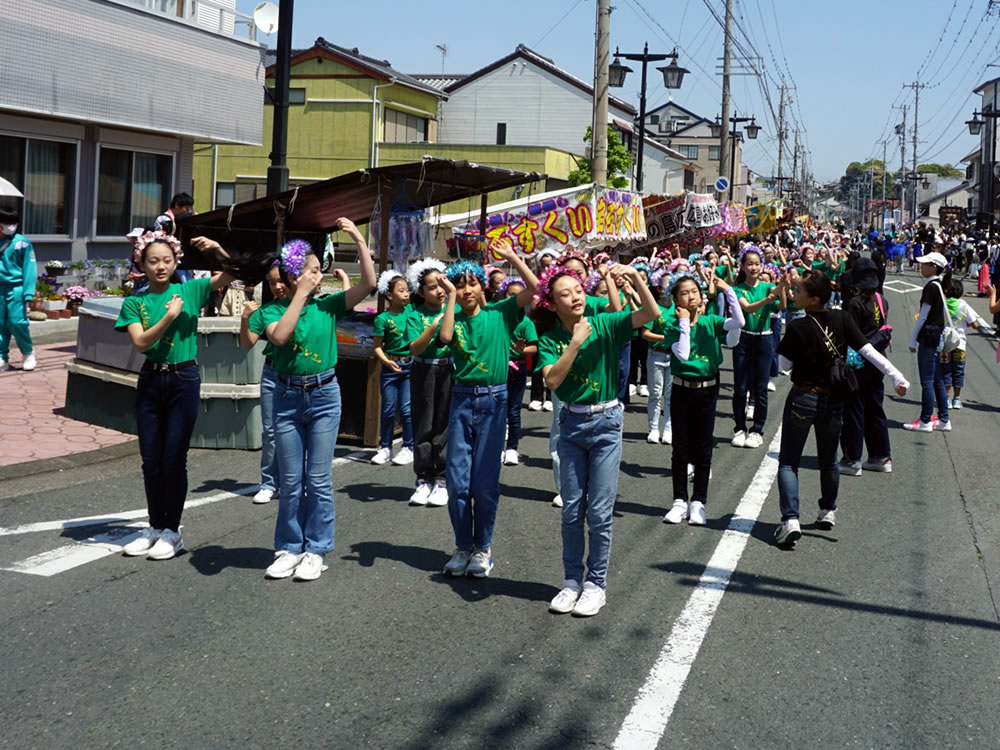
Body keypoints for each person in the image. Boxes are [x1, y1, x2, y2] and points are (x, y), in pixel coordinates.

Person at [231, 220, 376, 581]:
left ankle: (316, 549)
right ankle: (288, 547)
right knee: (291, 480)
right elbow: (280, 337)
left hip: (325, 394)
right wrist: (298, 293)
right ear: (295, 277)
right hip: (287, 396)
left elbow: (369, 284)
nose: (318, 276)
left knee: (318, 479)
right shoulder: (271, 311)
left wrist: (358, 238)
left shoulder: (327, 306)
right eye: (312, 271)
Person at [537, 262, 658, 617]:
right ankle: (571, 581)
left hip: (606, 422)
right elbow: (552, 381)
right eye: (565, 294)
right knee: (572, 509)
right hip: (572, 425)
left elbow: (649, 313)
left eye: (577, 290)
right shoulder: (550, 339)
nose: (574, 297)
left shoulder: (605, 322)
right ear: (552, 303)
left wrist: (634, 277)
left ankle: (596, 584)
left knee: (600, 511)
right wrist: (574, 343)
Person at [117, 230, 234, 560]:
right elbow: (141, 343)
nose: (160, 266)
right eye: (153, 261)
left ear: (176, 261)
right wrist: (169, 317)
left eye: (167, 260)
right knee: (151, 460)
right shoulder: (135, 302)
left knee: (173, 458)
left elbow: (233, 273)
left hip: (184, 378)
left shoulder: (190, 290)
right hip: (152, 380)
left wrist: (215, 250)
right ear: (141, 263)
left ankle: (172, 531)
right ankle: (155, 527)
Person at [773, 270, 908, 547]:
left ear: (813, 299)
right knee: (829, 458)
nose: (794, 294)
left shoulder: (798, 327)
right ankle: (828, 510)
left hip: (802, 398)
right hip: (833, 400)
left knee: (788, 461)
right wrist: (897, 376)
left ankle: (790, 519)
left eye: (798, 291)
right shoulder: (842, 318)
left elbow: (783, 367)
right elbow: (868, 350)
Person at [438, 240, 539, 578]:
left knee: (484, 483)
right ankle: (462, 546)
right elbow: (446, 336)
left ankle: (483, 548)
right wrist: (450, 296)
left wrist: (513, 258)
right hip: (462, 399)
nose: (467, 290)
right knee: (457, 483)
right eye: (460, 284)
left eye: (472, 283)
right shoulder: (453, 316)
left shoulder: (502, 312)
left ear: (483, 285)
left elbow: (537, 289)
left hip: (494, 400)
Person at [661, 271, 745, 526]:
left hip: (708, 389)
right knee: (680, 447)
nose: (690, 297)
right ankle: (679, 501)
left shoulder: (711, 321)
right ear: (675, 299)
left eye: (694, 292)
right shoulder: (671, 325)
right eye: (684, 293)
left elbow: (739, 322)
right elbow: (684, 354)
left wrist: (728, 291)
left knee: (704, 447)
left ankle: (698, 503)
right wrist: (684, 322)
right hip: (681, 388)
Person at [839, 259, 895, 475]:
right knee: (875, 408)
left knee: (854, 410)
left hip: (858, 361)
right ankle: (881, 456)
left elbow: (849, 334)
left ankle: (852, 458)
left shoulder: (854, 303)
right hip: (878, 360)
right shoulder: (881, 299)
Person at [239, 263, 289, 504]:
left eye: (281, 280)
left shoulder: (310, 308)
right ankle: (269, 482)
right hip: (272, 373)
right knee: (270, 431)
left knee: (297, 432)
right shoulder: (268, 309)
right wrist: (245, 319)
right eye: (271, 282)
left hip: (298, 376)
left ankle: (294, 482)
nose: (277, 286)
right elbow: (247, 343)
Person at [405, 258, 451, 507]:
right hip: (424, 370)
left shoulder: (454, 309)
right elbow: (415, 348)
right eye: (432, 287)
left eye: (442, 284)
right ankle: (424, 479)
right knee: (423, 423)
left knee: (444, 425)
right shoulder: (414, 315)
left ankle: (442, 480)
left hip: (450, 370)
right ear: (421, 292)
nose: (439, 290)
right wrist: (433, 327)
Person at [731, 246, 786, 449]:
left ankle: (757, 429)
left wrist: (782, 286)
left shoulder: (768, 286)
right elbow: (746, 307)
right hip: (743, 340)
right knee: (740, 388)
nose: (754, 267)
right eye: (750, 264)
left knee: (761, 388)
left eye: (757, 263)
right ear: (743, 266)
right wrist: (767, 299)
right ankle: (739, 428)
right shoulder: (737, 289)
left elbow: (780, 306)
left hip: (764, 339)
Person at [903, 251, 952, 433]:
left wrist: (912, 339)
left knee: (928, 381)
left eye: (925, 264)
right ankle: (943, 419)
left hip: (929, 338)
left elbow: (922, 316)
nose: (921, 266)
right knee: (937, 379)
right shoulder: (939, 285)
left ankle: (925, 420)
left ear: (934, 267)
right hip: (937, 336)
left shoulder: (931, 287)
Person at [371, 270, 415, 467]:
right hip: (390, 366)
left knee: (406, 409)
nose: (406, 294)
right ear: (389, 295)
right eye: (401, 291)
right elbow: (377, 347)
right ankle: (385, 447)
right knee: (388, 410)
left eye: (407, 290)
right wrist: (387, 362)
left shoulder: (411, 311)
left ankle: (409, 447)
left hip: (410, 365)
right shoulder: (382, 319)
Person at [501, 277, 537, 466]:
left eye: (519, 295)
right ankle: (498, 446)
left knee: (514, 410)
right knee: (497, 409)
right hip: (497, 367)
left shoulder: (526, 323)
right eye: (510, 295)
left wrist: (521, 350)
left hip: (517, 368)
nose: (515, 298)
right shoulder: (498, 316)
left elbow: (534, 348)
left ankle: (512, 448)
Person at [0, 206, 37, 372]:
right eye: (6, 223)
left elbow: (30, 268)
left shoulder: (22, 242)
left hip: (16, 288)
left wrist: (28, 293)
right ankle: (2, 357)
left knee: (17, 322)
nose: (10, 226)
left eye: (13, 223)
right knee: (0, 324)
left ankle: (27, 353)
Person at [943, 279, 981, 409]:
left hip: (945, 344)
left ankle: (946, 398)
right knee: (958, 371)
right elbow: (975, 324)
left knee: (946, 371)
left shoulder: (942, 304)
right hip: (960, 344)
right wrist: (967, 323)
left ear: (946, 291)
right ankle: (957, 399)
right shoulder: (964, 306)